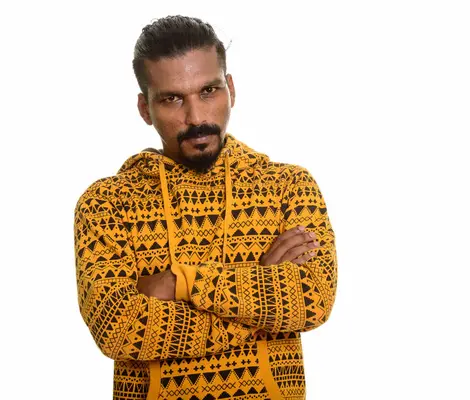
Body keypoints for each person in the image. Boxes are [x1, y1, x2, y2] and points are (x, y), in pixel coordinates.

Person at [74, 15, 337, 400]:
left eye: (209, 91)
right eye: (172, 99)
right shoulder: (106, 204)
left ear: (230, 89)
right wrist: (260, 288)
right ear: (145, 109)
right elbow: (118, 329)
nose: (196, 118)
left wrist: (178, 283)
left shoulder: (288, 187)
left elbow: (312, 298)